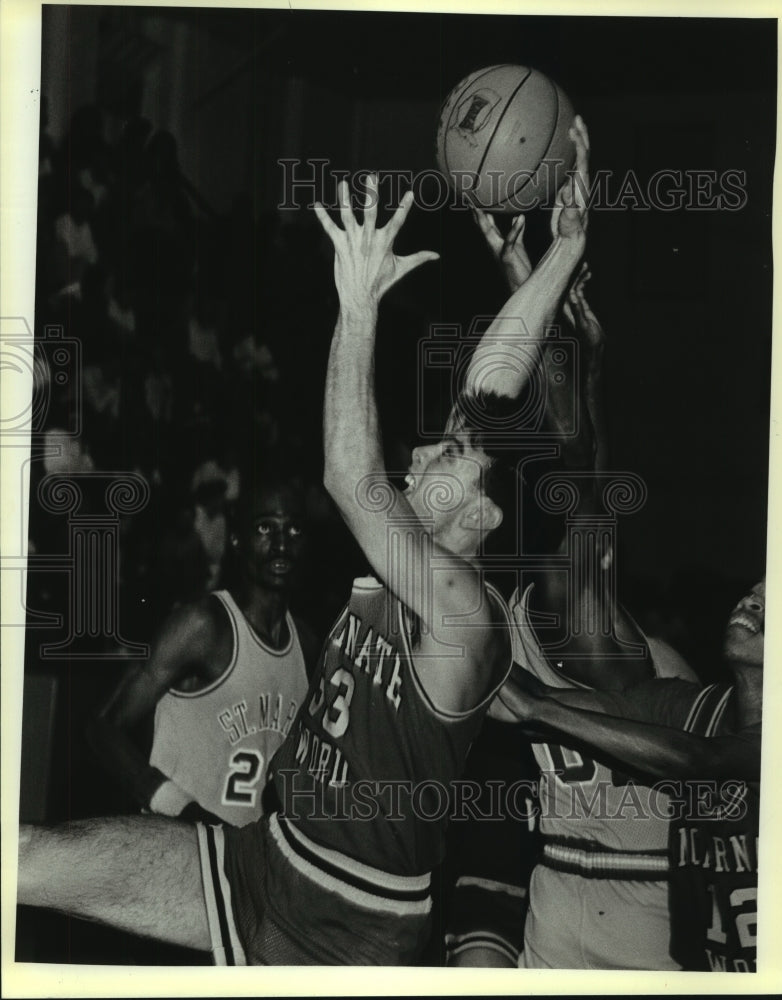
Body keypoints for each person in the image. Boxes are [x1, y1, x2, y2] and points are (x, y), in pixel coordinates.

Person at [16, 142, 589, 965]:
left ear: (485, 512)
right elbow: (481, 397)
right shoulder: (404, 559)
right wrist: (561, 254)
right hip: (258, 857)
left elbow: (348, 474)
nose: (425, 449)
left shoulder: (465, 613)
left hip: (347, 925)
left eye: (449, 458)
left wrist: (358, 303)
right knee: (25, 856)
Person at [450, 118, 700, 971]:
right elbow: (551, 447)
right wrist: (531, 282)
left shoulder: (590, 625)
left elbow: (575, 464)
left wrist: (539, 276)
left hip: (646, 902)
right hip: (558, 891)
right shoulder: (509, 605)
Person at [497, 578, 763, 971]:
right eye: (756, 592)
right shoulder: (688, 706)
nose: (754, 602)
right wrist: (459, 651)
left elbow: (699, 761)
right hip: (710, 965)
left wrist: (536, 709)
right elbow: (548, 702)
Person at [87, 474, 315, 826]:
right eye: (265, 528)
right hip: (178, 846)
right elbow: (103, 726)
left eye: (294, 530)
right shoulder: (204, 624)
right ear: (237, 540)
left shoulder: (306, 641)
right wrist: (178, 805)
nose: (281, 544)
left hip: (248, 858)